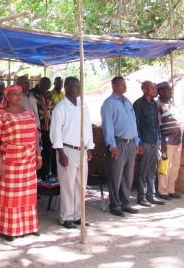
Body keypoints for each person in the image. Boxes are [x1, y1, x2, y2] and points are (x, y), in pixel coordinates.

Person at [0, 84, 42, 241]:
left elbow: (35, 136)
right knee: (10, 196)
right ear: (7, 97)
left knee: (28, 194)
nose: (18, 96)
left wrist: (39, 156)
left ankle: (29, 226)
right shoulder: (1, 115)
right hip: (9, 162)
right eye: (14, 94)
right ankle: (8, 229)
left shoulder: (29, 113)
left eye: (20, 93)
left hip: (28, 160)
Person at [50, 77, 94, 229]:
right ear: (67, 88)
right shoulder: (60, 108)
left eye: (80, 87)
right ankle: (66, 216)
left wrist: (89, 147)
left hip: (82, 149)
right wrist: (61, 153)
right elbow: (55, 133)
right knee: (68, 185)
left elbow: (87, 127)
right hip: (67, 150)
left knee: (81, 184)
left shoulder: (83, 105)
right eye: (76, 87)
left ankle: (78, 215)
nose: (79, 89)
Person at [101, 76, 141, 217]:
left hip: (130, 144)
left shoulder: (127, 102)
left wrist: (137, 141)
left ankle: (126, 203)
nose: (124, 86)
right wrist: (112, 145)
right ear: (114, 86)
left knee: (128, 176)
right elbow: (108, 126)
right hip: (118, 143)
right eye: (122, 84)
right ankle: (115, 205)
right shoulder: (108, 103)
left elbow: (133, 123)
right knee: (115, 176)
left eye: (125, 84)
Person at [133, 81, 165, 207]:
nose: (155, 90)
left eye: (155, 88)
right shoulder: (138, 104)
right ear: (144, 90)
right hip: (144, 141)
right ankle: (142, 197)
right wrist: (139, 142)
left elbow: (157, 124)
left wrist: (159, 140)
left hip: (154, 141)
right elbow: (136, 124)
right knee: (143, 170)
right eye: (152, 88)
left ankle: (151, 195)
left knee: (152, 169)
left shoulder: (154, 104)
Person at [156, 81, 183, 200]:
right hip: (166, 141)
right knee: (165, 165)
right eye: (168, 89)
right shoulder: (157, 105)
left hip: (177, 140)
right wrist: (162, 141)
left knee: (175, 166)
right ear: (161, 91)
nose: (170, 91)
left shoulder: (173, 104)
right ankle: (163, 191)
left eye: (170, 89)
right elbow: (157, 125)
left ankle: (171, 189)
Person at [30, 77, 53, 180]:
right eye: (44, 86)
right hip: (36, 128)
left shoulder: (48, 94)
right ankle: (37, 175)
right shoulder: (31, 94)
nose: (45, 89)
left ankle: (45, 174)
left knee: (48, 150)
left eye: (47, 87)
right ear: (39, 84)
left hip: (47, 128)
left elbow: (49, 109)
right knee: (37, 151)